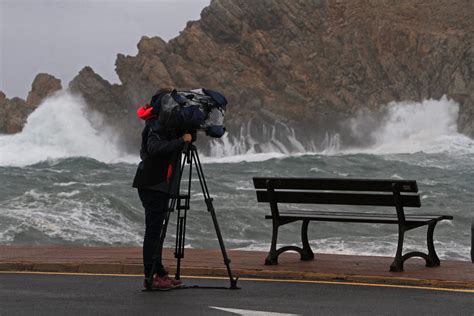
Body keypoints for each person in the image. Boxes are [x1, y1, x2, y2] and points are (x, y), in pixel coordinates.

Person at [132, 88, 193, 290]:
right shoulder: (156, 123)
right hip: (152, 183)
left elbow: (175, 147)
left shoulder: (164, 124)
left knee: (157, 232)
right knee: (153, 232)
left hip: (158, 183)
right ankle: (150, 277)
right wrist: (179, 141)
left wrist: (185, 137)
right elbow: (154, 148)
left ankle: (159, 273)